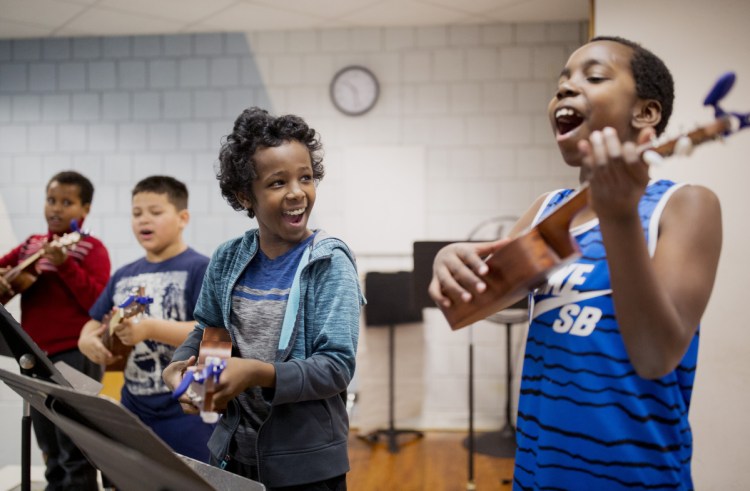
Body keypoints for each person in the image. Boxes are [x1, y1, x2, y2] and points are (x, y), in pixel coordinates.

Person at [429, 36, 722, 490]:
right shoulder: (548, 209)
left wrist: (620, 217)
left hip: (638, 478)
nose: (565, 88)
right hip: (536, 475)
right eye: (561, 82)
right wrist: (448, 261)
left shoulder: (685, 206)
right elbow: (470, 305)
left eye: (594, 76)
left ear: (646, 113)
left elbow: (655, 355)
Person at [163, 107, 363, 490]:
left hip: (308, 468)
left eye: (306, 177)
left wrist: (257, 372)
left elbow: (336, 367)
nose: (296, 192)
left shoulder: (330, 262)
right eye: (277, 182)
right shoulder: (227, 259)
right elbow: (209, 331)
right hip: (233, 455)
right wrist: (178, 370)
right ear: (244, 195)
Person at [78, 175, 214, 462]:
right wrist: (85, 339)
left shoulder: (201, 268)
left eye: (155, 212)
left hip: (188, 409)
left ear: (183, 218)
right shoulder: (124, 274)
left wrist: (150, 329)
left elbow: (210, 331)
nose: (143, 220)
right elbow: (94, 321)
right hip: (134, 408)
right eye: (137, 213)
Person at [0, 170, 110, 490]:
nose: (56, 209)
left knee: (75, 447)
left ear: (85, 210)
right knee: (48, 446)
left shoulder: (91, 248)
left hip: (75, 355)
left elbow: (97, 304)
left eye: (67, 202)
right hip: (34, 355)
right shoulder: (30, 246)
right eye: (51, 200)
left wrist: (64, 265)